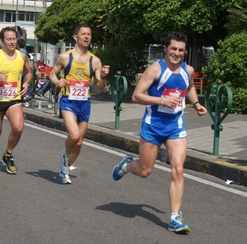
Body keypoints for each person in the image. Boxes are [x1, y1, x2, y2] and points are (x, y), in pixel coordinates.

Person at [111, 32, 207, 234]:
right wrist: (161, 100)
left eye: (181, 50)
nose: (177, 53)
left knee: (178, 169)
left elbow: (188, 87)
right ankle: (127, 166)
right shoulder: (155, 69)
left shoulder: (187, 70)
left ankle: (174, 218)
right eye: (173, 49)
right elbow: (137, 96)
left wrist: (196, 103)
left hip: (175, 126)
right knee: (145, 171)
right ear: (166, 48)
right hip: (153, 126)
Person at [48, 23, 110, 184]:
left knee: (79, 142)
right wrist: (57, 82)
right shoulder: (65, 57)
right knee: (74, 136)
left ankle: (65, 168)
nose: (87, 37)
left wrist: (103, 77)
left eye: (89, 34)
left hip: (84, 102)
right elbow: (51, 73)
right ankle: (65, 157)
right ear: (76, 37)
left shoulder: (95, 61)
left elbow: (100, 87)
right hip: (68, 101)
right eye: (83, 34)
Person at [0, 26, 32, 174]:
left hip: (13, 98)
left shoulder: (22, 56)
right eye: (8, 39)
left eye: (14, 39)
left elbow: (29, 72)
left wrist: (26, 82)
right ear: (3, 40)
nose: (12, 42)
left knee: (18, 127)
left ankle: (8, 154)